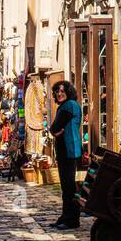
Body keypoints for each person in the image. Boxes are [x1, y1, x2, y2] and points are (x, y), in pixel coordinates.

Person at [49, 81, 82, 230]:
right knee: (66, 186)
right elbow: (55, 129)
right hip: (66, 150)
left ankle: (72, 220)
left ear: (68, 92)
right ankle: (65, 217)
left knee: (69, 187)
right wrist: (54, 131)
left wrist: (54, 131)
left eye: (62, 91)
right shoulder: (65, 106)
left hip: (69, 150)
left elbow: (54, 127)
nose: (59, 94)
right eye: (57, 91)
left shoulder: (69, 106)